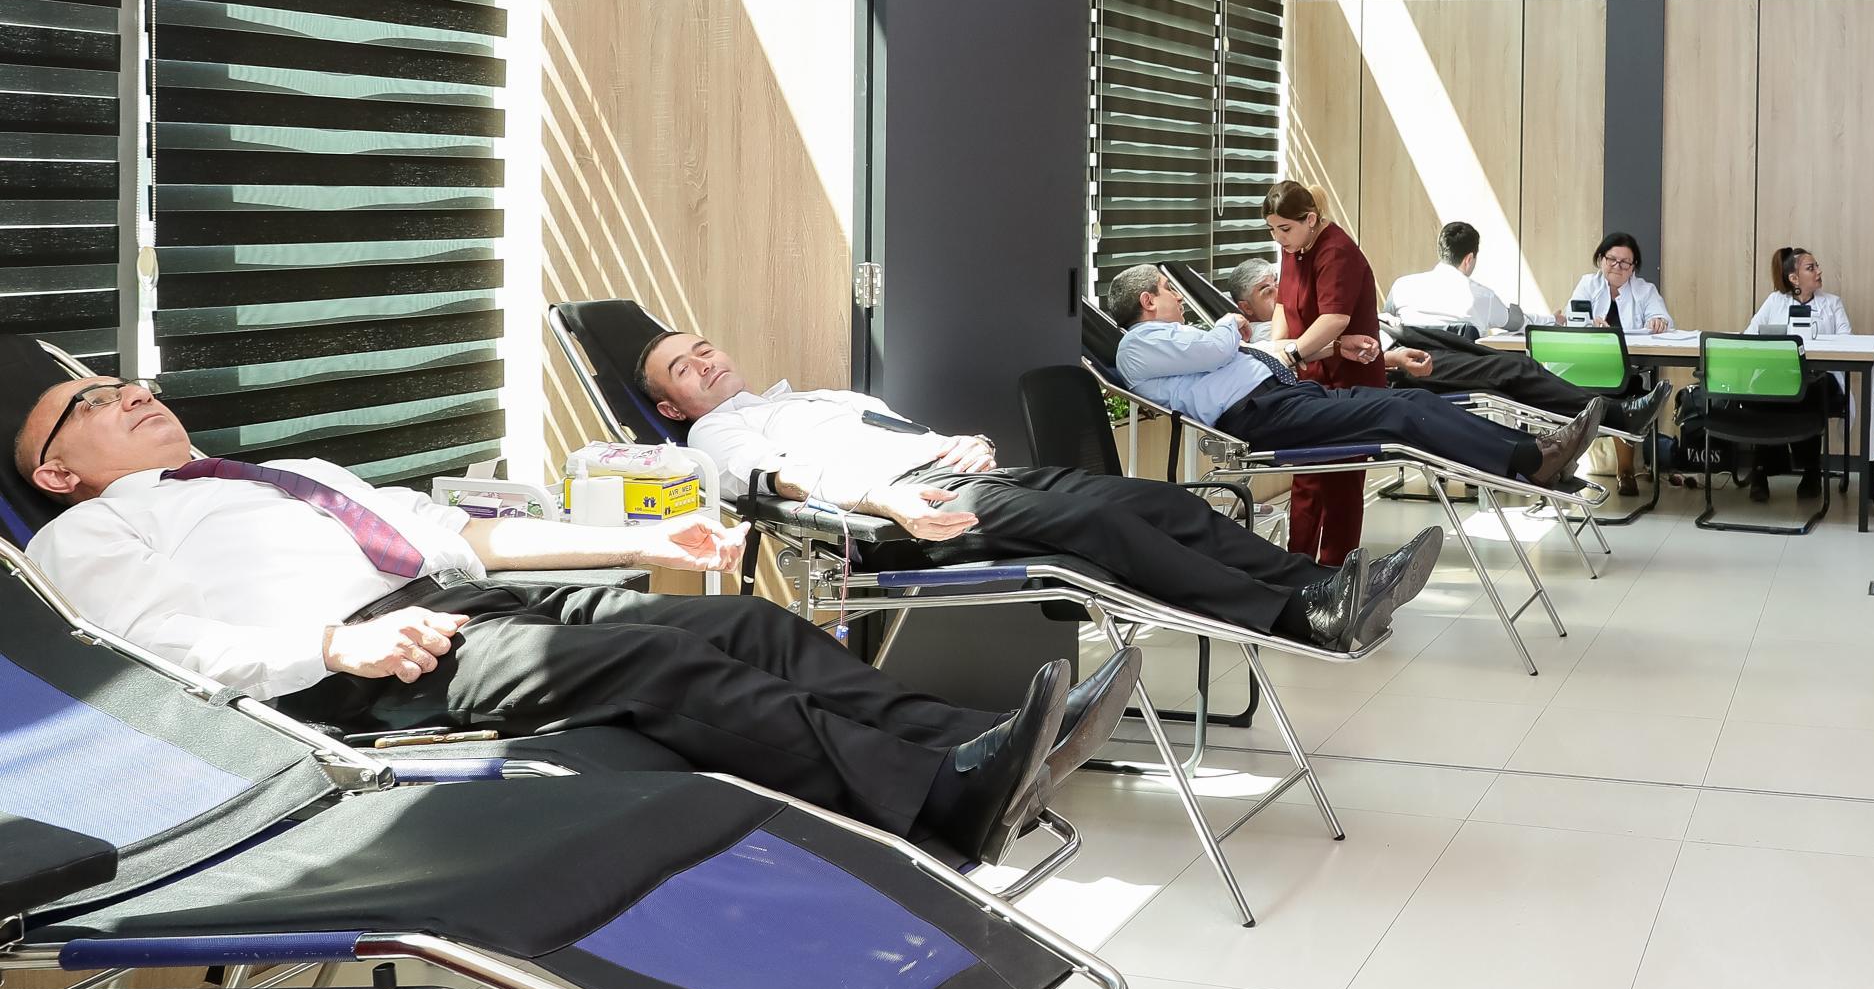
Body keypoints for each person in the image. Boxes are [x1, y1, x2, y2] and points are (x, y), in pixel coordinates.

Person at [2, 339, 1136, 866]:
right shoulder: (88, 533)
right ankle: (943, 801)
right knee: (663, 667)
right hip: (364, 673)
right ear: (53, 471)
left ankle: (983, 746)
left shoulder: (282, 474)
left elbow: (462, 535)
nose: (130, 394)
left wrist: (641, 540)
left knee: (740, 622)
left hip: (459, 605)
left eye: (127, 380)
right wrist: (337, 642)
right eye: (92, 402)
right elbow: (153, 647)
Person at [639, 326, 1439, 652]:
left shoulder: (807, 397)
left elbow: (902, 431)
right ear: (673, 407)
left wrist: (963, 442)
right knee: (1101, 531)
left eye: (702, 348)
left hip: (952, 474)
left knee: (1158, 502)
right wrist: (887, 501)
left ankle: (1325, 585)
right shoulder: (713, 435)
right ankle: (1302, 618)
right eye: (683, 368)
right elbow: (781, 481)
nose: (703, 363)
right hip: (905, 513)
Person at [1107, 266, 1601, 492]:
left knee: (1404, 403)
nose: (1177, 297)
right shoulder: (1138, 345)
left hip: (1282, 395)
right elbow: (1221, 347)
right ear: (1147, 301)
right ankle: (1528, 461)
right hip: (1259, 415)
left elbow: (1255, 350)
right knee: (1396, 413)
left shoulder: (1171, 343)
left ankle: (1533, 451)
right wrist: (1225, 323)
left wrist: (1334, 347)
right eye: (1168, 290)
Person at [1230, 254, 1605, 423]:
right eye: (1267, 291)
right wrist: (1390, 359)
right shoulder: (1265, 339)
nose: (1280, 293)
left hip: (1399, 335)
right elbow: (1310, 360)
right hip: (1393, 364)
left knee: (1513, 363)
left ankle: (1601, 410)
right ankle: (1608, 412)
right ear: (1246, 308)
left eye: (1278, 282)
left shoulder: (1296, 306)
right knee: (1513, 371)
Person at [1264, 180, 1386, 566]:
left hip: (1349, 379)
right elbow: (1283, 305)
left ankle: (1335, 574)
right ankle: (1297, 568)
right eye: (1272, 230)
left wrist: (1292, 353)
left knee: (1341, 485)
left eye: (1285, 229)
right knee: (1306, 479)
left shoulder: (1337, 251)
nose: (1279, 238)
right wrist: (1277, 348)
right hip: (1309, 376)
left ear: (1311, 220)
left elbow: (1335, 319)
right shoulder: (1293, 247)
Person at [1731, 246, 1852, 503]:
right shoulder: (1775, 301)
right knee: (1764, 390)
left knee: (1809, 390)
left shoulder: (1832, 303)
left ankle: (1811, 471)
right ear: (1794, 278)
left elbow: (1847, 343)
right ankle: (1761, 471)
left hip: (1820, 377)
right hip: (1778, 376)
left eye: (1817, 266)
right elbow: (1749, 336)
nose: (1818, 271)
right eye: (1811, 268)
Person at [1387, 222, 1538, 334]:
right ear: (1469, 259)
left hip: (1411, 367)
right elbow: (1516, 322)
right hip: (1462, 368)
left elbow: (1384, 322)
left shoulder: (1401, 287)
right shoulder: (1483, 297)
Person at [1566, 232, 1673, 336]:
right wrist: (1590, 324)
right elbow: (1571, 318)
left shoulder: (1646, 290)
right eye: (1611, 259)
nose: (1617, 266)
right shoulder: (1588, 284)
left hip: (1634, 348)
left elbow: (1661, 317)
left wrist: (1658, 322)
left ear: (1633, 266)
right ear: (1601, 259)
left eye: (1625, 262)